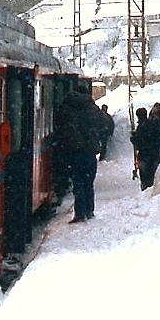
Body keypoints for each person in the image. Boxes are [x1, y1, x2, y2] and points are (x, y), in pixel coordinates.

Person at [53, 85, 107, 223]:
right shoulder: (92, 109)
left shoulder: (68, 108)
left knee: (78, 183)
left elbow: (61, 128)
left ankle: (80, 213)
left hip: (75, 152)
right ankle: (89, 211)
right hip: (90, 152)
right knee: (88, 183)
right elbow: (104, 125)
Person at [131, 106, 160, 191]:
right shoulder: (152, 124)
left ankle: (145, 190)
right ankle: (151, 189)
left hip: (144, 155)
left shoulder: (141, 127)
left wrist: (133, 138)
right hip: (153, 154)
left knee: (144, 175)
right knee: (151, 174)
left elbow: (139, 143)